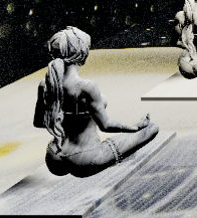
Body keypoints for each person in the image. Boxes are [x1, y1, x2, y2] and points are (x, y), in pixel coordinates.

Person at [35, 26, 160, 177]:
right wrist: (135, 127)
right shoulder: (87, 87)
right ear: (81, 54)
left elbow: (39, 122)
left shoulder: (44, 84)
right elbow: (106, 126)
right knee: (152, 128)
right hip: (85, 161)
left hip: (54, 157)